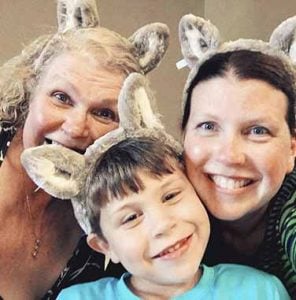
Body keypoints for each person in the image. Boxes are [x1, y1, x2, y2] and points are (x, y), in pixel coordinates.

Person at [23, 72, 290, 300]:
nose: (163, 224)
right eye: (130, 217)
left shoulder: (259, 290)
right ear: (105, 246)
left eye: (171, 195)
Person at [0, 0, 169, 298]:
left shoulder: (109, 213)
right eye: (61, 98)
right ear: (31, 93)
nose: (76, 127)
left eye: (104, 113)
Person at [178, 14, 296, 296]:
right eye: (208, 126)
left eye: (257, 131)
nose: (230, 156)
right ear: (182, 137)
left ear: (292, 150)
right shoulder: (159, 208)